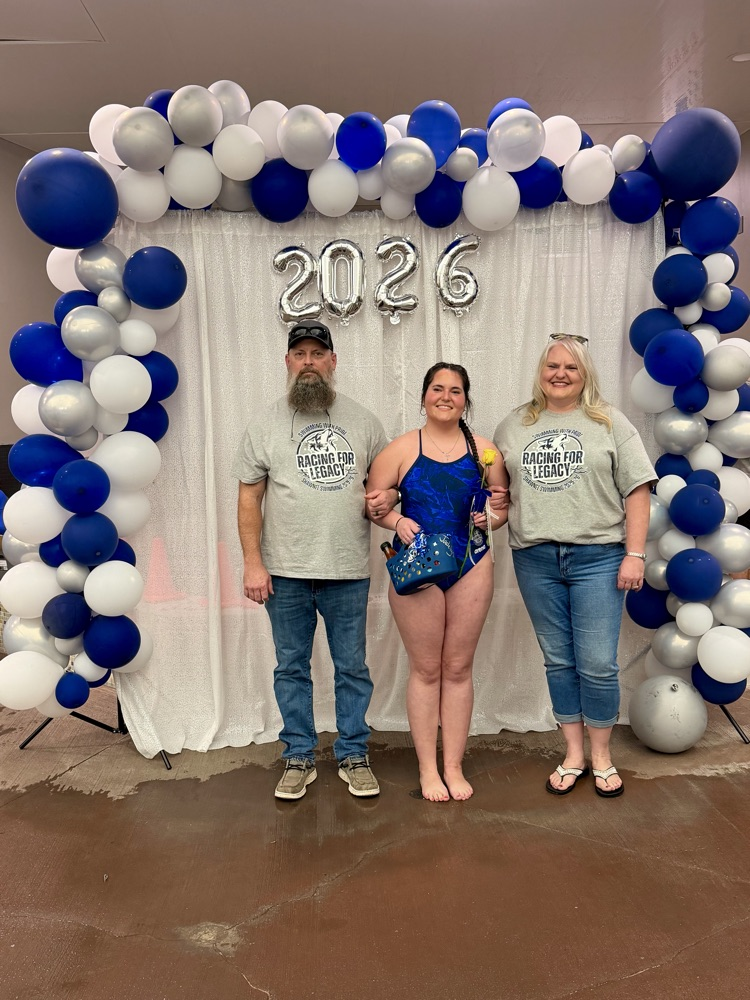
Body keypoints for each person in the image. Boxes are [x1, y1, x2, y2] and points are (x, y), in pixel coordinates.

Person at [233, 319, 397, 801]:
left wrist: (385, 503)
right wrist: (252, 563)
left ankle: (353, 753)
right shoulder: (264, 424)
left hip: (347, 570)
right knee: (291, 666)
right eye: (299, 354)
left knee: (352, 666)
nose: (308, 362)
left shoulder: (365, 422)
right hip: (283, 572)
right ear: (288, 363)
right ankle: (299, 756)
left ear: (333, 362)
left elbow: (384, 488)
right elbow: (249, 500)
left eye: (317, 354)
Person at [493, 334, 655, 798]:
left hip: (598, 557)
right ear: (540, 372)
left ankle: (602, 755)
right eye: (552, 366)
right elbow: (500, 494)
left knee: (598, 663)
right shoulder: (513, 425)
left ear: (585, 375)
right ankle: (574, 754)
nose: (560, 374)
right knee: (559, 660)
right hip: (535, 558)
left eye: (571, 367)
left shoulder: (609, 422)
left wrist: (635, 553)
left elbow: (638, 490)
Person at [366, 363, 508, 802]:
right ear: (424, 395)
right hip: (418, 568)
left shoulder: (486, 452)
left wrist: (493, 518)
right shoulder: (401, 449)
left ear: (466, 399)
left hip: (472, 562)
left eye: (456, 390)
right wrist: (397, 518)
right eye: (437, 388)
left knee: (459, 668)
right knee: (426, 670)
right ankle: (428, 769)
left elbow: (502, 508)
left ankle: (453, 765)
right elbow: (372, 505)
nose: (445, 396)